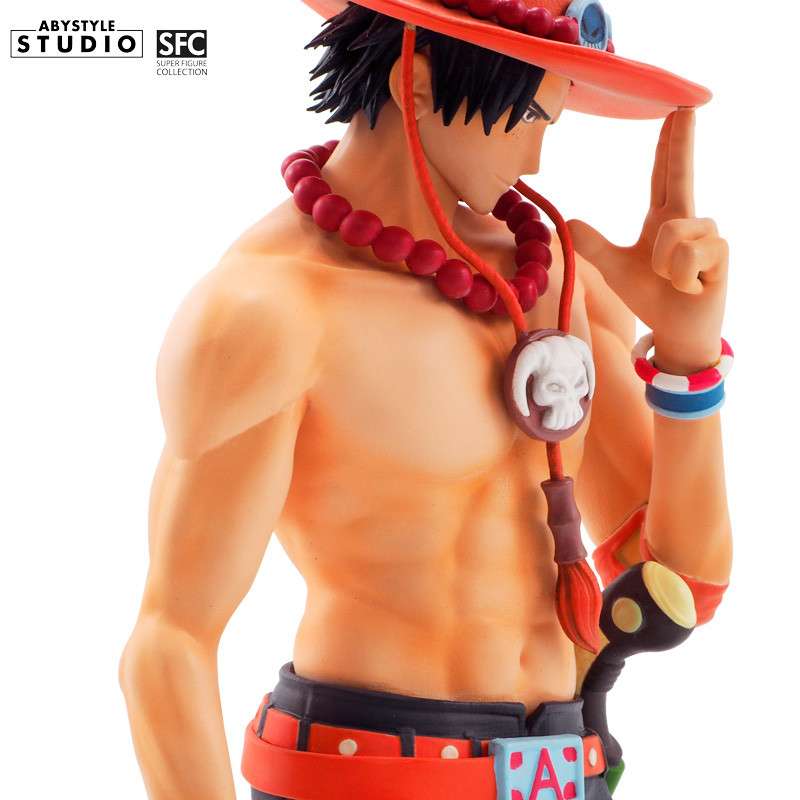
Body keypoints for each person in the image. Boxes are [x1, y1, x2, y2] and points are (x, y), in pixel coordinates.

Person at [121, 2, 733, 798]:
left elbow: (682, 579)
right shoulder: (269, 310)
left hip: (559, 767)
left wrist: (687, 361)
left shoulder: (555, 283)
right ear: (414, 82)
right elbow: (170, 640)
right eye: (528, 118)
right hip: (363, 771)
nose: (537, 158)